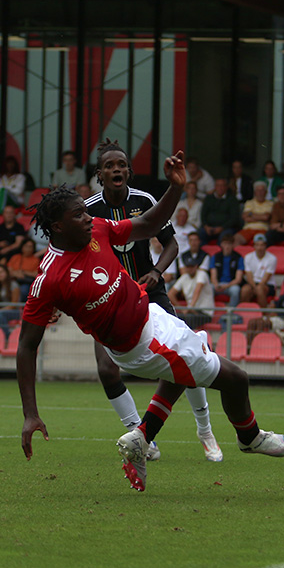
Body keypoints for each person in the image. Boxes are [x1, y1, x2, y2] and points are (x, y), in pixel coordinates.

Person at [16, 153, 284, 493]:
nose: (87, 217)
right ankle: (250, 437)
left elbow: (148, 226)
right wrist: (30, 413)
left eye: (85, 209)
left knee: (181, 374)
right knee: (236, 379)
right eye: (78, 214)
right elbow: (26, 346)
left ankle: (141, 438)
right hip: (139, 343)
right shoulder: (50, 279)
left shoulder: (99, 229)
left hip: (151, 314)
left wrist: (175, 188)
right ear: (59, 226)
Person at [85, 140, 222, 463]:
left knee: (187, 356)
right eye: (109, 165)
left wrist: (157, 272)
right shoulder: (88, 210)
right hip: (111, 298)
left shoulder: (144, 200)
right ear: (99, 174)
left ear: (128, 171)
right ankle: (141, 435)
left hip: (150, 291)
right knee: (106, 369)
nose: (116, 169)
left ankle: (205, 431)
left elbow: (171, 244)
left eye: (121, 164)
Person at [168, 254, 215, 329]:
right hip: (191, 311)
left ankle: (189, 339)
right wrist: (182, 309)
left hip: (204, 312)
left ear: (196, 266)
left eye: (192, 266)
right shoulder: (184, 277)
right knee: (175, 317)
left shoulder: (202, 274)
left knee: (189, 319)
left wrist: (190, 307)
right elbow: (170, 294)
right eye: (188, 267)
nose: (190, 269)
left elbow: (197, 290)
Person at [199, 178, 242, 245]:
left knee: (224, 237)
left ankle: (219, 255)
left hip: (226, 228)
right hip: (210, 228)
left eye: (222, 186)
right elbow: (203, 215)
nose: (220, 188)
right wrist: (206, 226)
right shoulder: (209, 198)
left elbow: (234, 218)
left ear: (226, 187)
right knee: (200, 233)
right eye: (218, 185)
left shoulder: (232, 200)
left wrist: (222, 228)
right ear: (215, 187)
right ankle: (203, 254)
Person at [241, 233, 278, 309]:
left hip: (267, 284)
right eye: (257, 245)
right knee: (245, 290)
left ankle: (263, 314)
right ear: (254, 246)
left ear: (265, 246)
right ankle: (244, 313)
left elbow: (266, 278)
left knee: (259, 289)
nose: (259, 248)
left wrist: (256, 288)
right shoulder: (248, 257)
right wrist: (254, 287)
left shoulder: (272, 258)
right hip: (253, 283)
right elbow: (249, 276)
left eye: (261, 245)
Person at [209, 234, 245, 308]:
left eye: (229, 244)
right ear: (221, 244)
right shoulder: (215, 257)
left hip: (230, 285)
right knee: (208, 288)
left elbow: (238, 279)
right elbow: (213, 276)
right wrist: (216, 284)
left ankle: (230, 313)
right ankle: (209, 311)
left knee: (235, 290)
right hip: (218, 284)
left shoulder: (238, 257)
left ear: (233, 245)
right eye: (225, 244)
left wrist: (226, 286)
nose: (227, 246)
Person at [235, 181, 273, 245]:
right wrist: (261, 217)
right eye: (258, 190)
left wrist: (250, 214)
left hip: (263, 230)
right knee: (235, 240)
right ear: (255, 192)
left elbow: (266, 217)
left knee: (260, 244)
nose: (260, 193)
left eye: (262, 190)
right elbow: (245, 217)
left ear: (266, 192)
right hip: (248, 229)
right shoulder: (249, 202)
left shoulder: (271, 204)